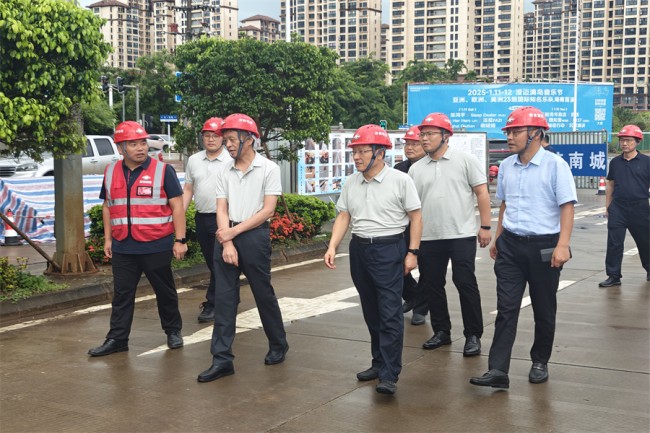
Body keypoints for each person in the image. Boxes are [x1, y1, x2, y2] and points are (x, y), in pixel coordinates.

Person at [470, 106, 577, 389]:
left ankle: (540, 360)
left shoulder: (556, 165)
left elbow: (567, 207)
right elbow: (505, 204)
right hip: (511, 246)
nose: (509, 137)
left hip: (545, 247)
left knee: (544, 308)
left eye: (516, 131)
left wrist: (563, 245)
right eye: (508, 131)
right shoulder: (507, 166)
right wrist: (498, 237)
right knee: (506, 308)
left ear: (536, 134)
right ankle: (498, 370)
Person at [324, 124, 422, 395]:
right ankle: (378, 363)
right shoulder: (351, 182)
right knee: (371, 311)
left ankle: (390, 373)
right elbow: (344, 216)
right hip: (359, 250)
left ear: (380, 153)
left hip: (389, 248)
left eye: (362, 151)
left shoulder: (400, 180)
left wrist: (412, 252)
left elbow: (416, 217)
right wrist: (332, 246)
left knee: (390, 312)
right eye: (354, 152)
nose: (356, 157)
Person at [197, 113, 288, 383]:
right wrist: (226, 241)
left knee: (263, 293)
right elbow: (221, 208)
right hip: (227, 234)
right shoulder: (224, 170)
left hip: (254, 236)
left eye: (231, 139)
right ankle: (221, 359)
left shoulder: (269, 168)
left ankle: (278, 344)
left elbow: (268, 210)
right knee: (224, 299)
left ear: (249, 139)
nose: (227, 145)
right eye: (225, 140)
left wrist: (233, 234)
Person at [88, 121, 187, 357]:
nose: (140, 148)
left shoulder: (163, 171)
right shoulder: (111, 171)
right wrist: (108, 239)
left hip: (155, 243)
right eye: (133, 144)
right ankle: (117, 339)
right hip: (123, 245)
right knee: (122, 295)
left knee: (164, 291)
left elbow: (177, 206)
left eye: (143, 143)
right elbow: (107, 206)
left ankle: (173, 331)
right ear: (120, 148)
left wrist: (180, 240)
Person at [408, 113, 492, 357]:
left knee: (465, 282)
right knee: (432, 285)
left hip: (461, 234)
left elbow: (482, 192)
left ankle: (473, 335)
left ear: (445, 136)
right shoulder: (416, 169)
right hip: (428, 236)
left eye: (429, 134)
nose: (424, 139)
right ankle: (442, 331)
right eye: (422, 134)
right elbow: (412, 208)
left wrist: (485, 226)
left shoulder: (465, 160)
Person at [182, 117, 234, 323]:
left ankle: (213, 303)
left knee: (218, 262)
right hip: (202, 218)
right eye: (207, 136)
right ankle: (227, 298)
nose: (211, 139)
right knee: (213, 263)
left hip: (225, 219)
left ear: (223, 138)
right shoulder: (194, 160)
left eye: (215, 136)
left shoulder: (231, 159)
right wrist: (179, 215)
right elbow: (188, 189)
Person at [599, 124, 650, 287]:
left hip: (640, 208)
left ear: (637, 141)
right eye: (622, 140)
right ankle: (613, 275)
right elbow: (611, 184)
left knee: (645, 241)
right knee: (614, 243)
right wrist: (608, 207)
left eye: (628, 140)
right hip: (618, 208)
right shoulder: (615, 162)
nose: (625, 143)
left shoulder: (647, 162)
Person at [394, 126, 428, 326]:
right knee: (399, 265)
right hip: (403, 226)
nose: (410, 147)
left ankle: (421, 309)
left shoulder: (431, 166)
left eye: (415, 143)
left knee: (427, 269)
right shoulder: (399, 168)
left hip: (428, 225)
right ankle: (413, 296)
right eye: (407, 143)